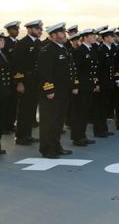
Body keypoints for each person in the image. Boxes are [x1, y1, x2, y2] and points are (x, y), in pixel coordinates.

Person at [37, 23, 75, 159]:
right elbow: (45, 73)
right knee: (49, 121)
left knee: (58, 121)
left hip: (63, 92)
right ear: (53, 35)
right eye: (61, 33)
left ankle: (56, 146)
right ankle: (47, 149)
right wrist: (49, 90)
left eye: (63, 32)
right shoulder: (47, 51)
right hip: (52, 93)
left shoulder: (63, 49)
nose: (64, 35)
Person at [13, 20, 43, 145]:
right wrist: (19, 82)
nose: (40, 31)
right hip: (26, 81)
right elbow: (17, 64)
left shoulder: (38, 43)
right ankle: (21, 136)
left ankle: (28, 134)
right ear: (30, 29)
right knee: (24, 110)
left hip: (35, 81)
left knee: (31, 109)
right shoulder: (22, 43)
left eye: (40, 29)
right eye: (37, 29)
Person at [70, 29, 98, 147]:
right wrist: (75, 85)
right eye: (92, 36)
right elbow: (75, 70)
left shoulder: (91, 50)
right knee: (79, 113)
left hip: (88, 86)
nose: (95, 38)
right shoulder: (79, 51)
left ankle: (83, 135)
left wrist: (95, 83)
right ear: (86, 37)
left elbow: (93, 70)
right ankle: (77, 137)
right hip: (81, 86)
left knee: (85, 112)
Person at [93, 29, 116, 138]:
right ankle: (98, 130)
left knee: (105, 107)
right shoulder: (101, 50)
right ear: (105, 38)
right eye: (111, 36)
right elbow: (97, 69)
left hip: (109, 83)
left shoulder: (110, 49)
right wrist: (97, 83)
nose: (113, 38)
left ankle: (104, 129)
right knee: (99, 107)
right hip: (102, 83)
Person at [2, 21, 20, 134]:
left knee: (14, 103)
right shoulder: (5, 42)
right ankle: (4, 125)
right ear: (9, 31)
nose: (16, 31)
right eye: (14, 29)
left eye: (17, 29)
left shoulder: (18, 43)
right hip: (7, 77)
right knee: (6, 103)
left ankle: (11, 124)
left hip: (16, 77)